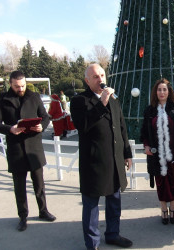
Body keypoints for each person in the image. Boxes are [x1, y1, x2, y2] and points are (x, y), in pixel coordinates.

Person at [70, 64, 133, 249]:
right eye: (95, 77)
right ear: (87, 81)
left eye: (102, 75)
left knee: (114, 201)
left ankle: (113, 234)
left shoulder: (114, 99)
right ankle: (92, 243)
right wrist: (101, 102)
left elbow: (121, 128)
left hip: (114, 159)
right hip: (94, 162)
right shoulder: (80, 100)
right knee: (91, 206)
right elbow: (83, 126)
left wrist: (126, 154)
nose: (100, 79)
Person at [0, 71, 56, 232]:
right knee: (19, 186)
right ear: (10, 84)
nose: (20, 89)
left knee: (39, 184)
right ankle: (23, 216)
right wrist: (10, 129)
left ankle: (43, 211)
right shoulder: (1, 99)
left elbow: (45, 116)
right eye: (16, 86)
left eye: (22, 86)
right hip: (16, 148)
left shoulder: (34, 97)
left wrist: (42, 125)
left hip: (34, 147)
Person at [140, 78, 174, 225]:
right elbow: (144, 132)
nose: (162, 92)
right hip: (156, 154)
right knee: (160, 182)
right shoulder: (149, 110)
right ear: (155, 92)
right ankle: (163, 209)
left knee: (173, 182)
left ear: (169, 92)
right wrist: (146, 146)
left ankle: (173, 209)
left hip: (173, 152)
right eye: (159, 89)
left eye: (164, 89)